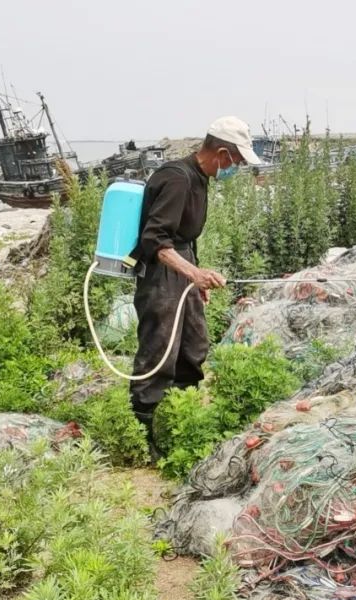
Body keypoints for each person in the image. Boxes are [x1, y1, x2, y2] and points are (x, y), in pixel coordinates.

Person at [129, 116, 261, 456]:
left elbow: (185, 236)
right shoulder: (177, 179)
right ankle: (145, 436)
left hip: (182, 269)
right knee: (159, 351)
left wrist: (195, 276)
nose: (238, 167)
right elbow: (155, 239)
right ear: (221, 152)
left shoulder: (200, 178)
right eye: (238, 160)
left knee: (193, 346)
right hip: (161, 274)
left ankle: (180, 417)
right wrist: (192, 273)